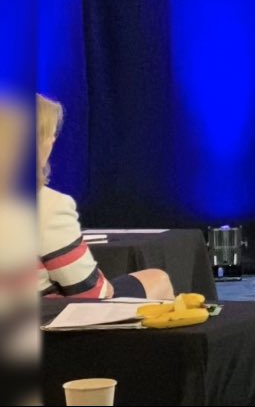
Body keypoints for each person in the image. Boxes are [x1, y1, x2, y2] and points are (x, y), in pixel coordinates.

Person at [37, 94, 174, 300]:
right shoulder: (49, 205)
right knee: (158, 279)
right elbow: (92, 293)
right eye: (50, 133)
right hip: (44, 317)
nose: (54, 140)